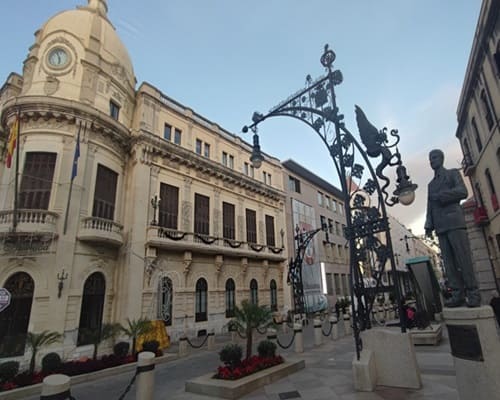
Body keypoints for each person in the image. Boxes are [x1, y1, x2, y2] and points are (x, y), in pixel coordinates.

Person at [424, 149, 480, 307]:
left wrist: (442, 196)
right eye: (430, 158)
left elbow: (462, 191)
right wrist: (429, 224)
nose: (432, 160)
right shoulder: (431, 185)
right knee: (448, 263)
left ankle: (473, 292)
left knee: (463, 258)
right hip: (440, 227)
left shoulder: (452, 174)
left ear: (441, 158)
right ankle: (457, 294)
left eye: (434, 157)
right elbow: (430, 206)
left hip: (455, 222)